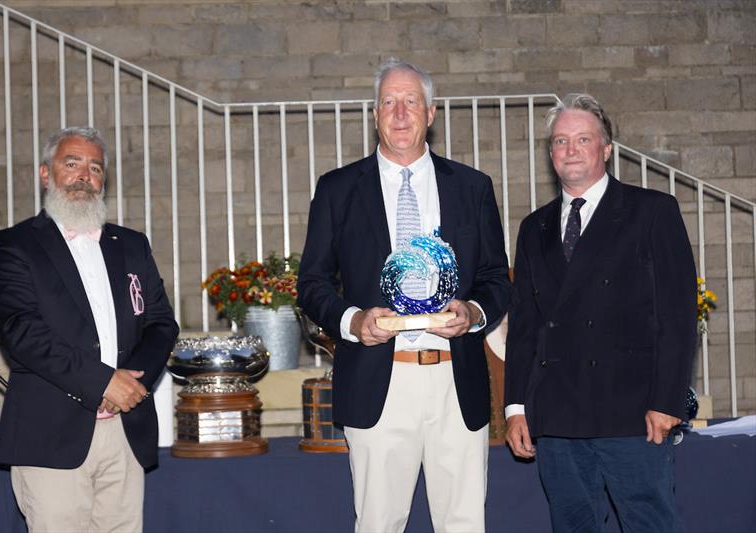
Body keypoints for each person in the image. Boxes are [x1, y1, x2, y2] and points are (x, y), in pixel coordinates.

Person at [298, 58, 511, 533]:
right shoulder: (337, 190)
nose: (399, 113)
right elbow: (311, 284)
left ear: (431, 113)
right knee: (378, 524)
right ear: (374, 114)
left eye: (410, 101)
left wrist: (474, 312)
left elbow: (497, 278)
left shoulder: (473, 188)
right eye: (388, 102)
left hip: (455, 384)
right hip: (379, 380)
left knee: (464, 523)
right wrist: (352, 321)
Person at [504, 94, 696, 532]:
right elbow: (525, 327)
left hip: (632, 413)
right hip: (557, 416)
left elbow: (677, 315)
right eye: (560, 141)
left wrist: (667, 401)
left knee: (651, 524)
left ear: (606, 149)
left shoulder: (652, 211)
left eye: (582, 139)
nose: (570, 150)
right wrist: (516, 407)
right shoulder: (533, 228)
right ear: (550, 152)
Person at [0, 126, 180, 532]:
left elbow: (161, 322)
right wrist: (103, 382)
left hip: (125, 432)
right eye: (71, 163)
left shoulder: (131, 244)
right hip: (51, 434)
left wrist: (131, 384)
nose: (83, 175)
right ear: (45, 174)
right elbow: (21, 332)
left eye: (95, 167)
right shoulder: (14, 245)